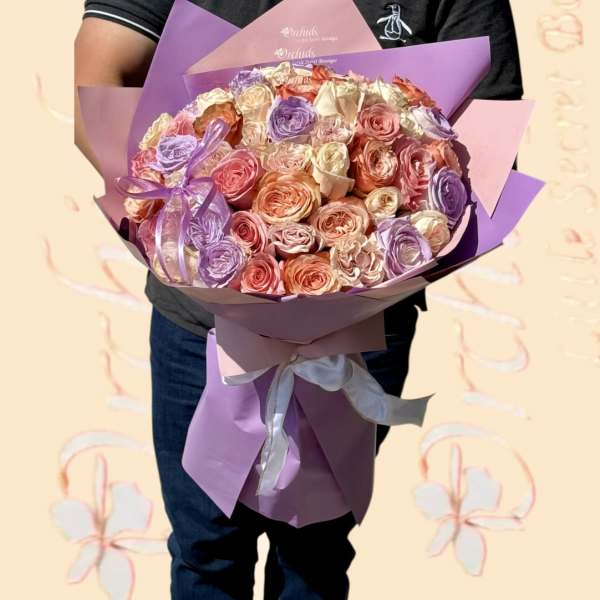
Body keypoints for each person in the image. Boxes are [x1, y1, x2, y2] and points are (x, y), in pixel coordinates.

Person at [75, 2, 523, 598]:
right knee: (206, 550)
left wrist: (364, 254)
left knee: (315, 557)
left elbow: (489, 134)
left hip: (364, 325)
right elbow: (101, 67)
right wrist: (178, 210)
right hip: (201, 329)